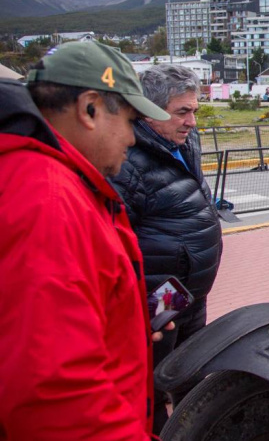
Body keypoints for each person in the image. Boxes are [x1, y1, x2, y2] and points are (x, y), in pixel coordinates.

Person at [0, 41, 172, 438]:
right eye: (130, 121)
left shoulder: (52, 183)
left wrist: (122, 324)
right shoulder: (47, 198)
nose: (132, 139)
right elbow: (53, 393)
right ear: (90, 109)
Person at [109, 64, 223, 433]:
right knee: (155, 383)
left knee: (192, 372)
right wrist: (143, 308)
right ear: (150, 111)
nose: (191, 121)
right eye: (182, 112)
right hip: (160, 300)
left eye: (195, 110)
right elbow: (115, 243)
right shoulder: (128, 162)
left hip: (189, 294)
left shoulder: (183, 142)